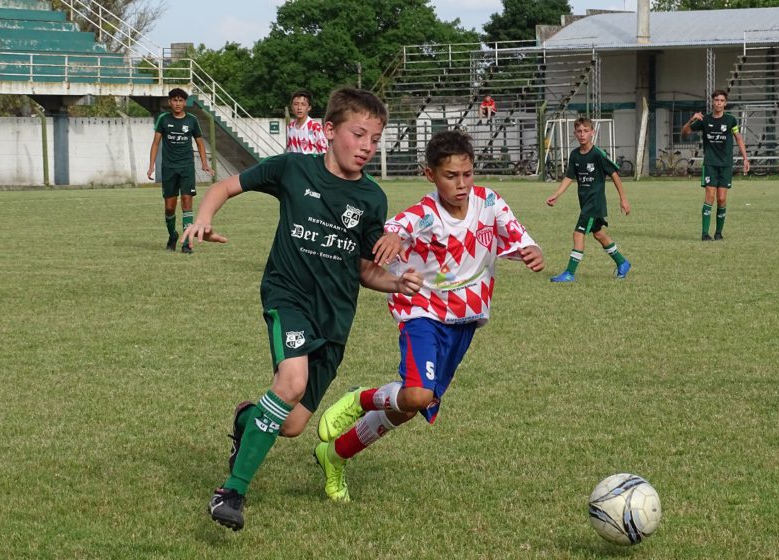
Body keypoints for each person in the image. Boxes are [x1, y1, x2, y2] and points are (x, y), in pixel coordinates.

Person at [180, 87, 423, 532]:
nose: (368, 146)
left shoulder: (372, 199)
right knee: (291, 381)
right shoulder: (293, 168)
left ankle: (245, 419)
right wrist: (203, 217)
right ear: (329, 130)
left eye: (376, 138)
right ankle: (230, 492)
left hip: (335, 319)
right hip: (287, 296)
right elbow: (225, 186)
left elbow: (365, 272)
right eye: (359, 134)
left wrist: (397, 281)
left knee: (290, 424)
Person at [312, 130, 545, 503]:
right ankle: (361, 399)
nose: (462, 184)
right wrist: (390, 237)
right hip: (422, 313)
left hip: (465, 321)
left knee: (409, 405)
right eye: (451, 176)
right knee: (417, 395)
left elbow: (517, 235)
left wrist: (532, 250)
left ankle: (336, 454)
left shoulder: (489, 202)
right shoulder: (427, 214)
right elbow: (400, 226)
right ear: (430, 175)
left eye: (467, 174)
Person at [546, 116, 631, 282]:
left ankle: (569, 273)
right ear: (575, 134)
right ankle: (622, 262)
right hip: (585, 202)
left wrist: (623, 199)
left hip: (594, 203)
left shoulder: (598, 154)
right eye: (579, 131)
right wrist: (556, 195)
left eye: (586, 131)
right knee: (599, 234)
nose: (582, 134)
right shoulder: (575, 155)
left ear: (592, 133)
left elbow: (614, 175)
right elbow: (569, 177)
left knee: (578, 234)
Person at [147, 88, 212, 254]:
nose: (177, 103)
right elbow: (155, 143)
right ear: (170, 102)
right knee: (169, 207)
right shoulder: (163, 119)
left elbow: (200, 143)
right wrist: (151, 165)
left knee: (186, 202)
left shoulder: (192, 120)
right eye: (174, 100)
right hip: (168, 168)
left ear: (185, 102)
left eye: (181, 100)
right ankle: (172, 235)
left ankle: (186, 243)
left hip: (186, 167)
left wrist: (204, 163)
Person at [681, 89, 750, 241]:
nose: (718, 103)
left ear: (725, 103)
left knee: (721, 199)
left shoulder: (731, 120)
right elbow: (684, 133)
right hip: (710, 164)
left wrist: (745, 158)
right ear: (713, 102)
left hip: (725, 165)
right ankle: (705, 233)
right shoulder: (704, 120)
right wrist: (691, 120)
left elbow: (738, 138)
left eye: (721, 100)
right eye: (716, 100)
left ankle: (719, 233)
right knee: (710, 197)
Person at [286, 89, 328, 154]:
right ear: (291, 107)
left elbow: (324, 153)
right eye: (296, 104)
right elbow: (289, 152)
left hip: (310, 164)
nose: (299, 107)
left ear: (309, 107)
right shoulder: (290, 127)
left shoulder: (315, 127)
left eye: (303, 104)